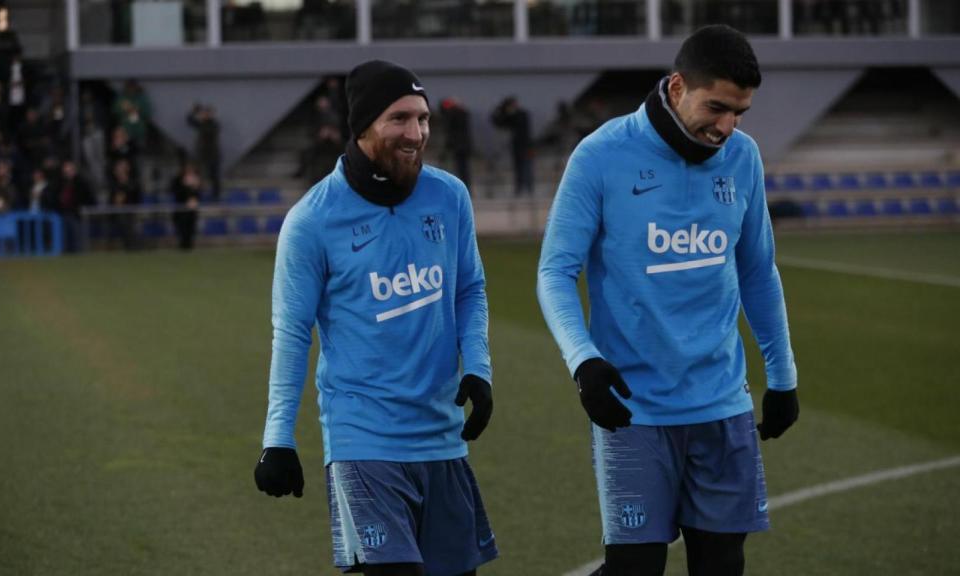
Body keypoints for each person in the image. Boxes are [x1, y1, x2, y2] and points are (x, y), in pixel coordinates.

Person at [537, 25, 799, 576]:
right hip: (635, 410)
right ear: (678, 87)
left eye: (741, 113)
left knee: (722, 566)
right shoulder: (601, 156)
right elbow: (555, 273)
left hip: (723, 407)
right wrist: (583, 361)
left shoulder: (743, 158)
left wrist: (783, 376)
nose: (728, 127)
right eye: (718, 107)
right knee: (634, 569)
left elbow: (757, 270)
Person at [254, 60, 497, 576]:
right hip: (364, 441)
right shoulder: (312, 221)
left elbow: (469, 288)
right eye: (399, 119)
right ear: (363, 126)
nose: (417, 134)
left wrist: (478, 367)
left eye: (423, 119)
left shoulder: (449, 196)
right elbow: (293, 333)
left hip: (442, 436)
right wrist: (278, 437)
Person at [491, 95, 534, 197]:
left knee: (527, 167)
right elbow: (498, 122)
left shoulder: (521, 114)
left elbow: (522, 127)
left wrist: (509, 113)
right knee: (518, 168)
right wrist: (500, 109)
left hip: (526, 146)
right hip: (516, 147)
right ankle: (519, 188)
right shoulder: (510, 116)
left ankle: (529, 188)